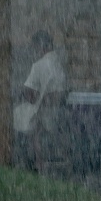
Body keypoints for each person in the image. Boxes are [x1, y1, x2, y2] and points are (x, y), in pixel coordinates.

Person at [13, 30, 66, 171]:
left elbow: (30, 93)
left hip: (42, 112)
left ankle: (29, 158)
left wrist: (21, 93)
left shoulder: (39, 66)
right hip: (55, 111)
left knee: (16, 113)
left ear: (39, 46)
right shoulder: (58, 63)